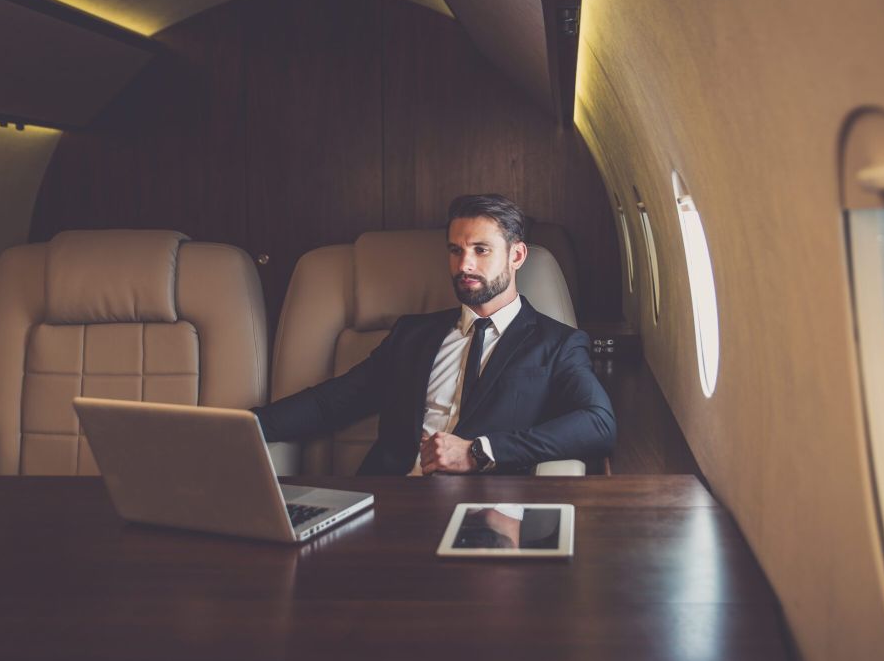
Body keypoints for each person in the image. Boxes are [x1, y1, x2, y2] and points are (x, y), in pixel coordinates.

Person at [252, 194, 616, 476]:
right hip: (387, 502)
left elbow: (598, 423)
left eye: (480, 250)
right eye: (456, 251)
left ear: (517, 255)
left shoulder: (557, 344)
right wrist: (244, 426)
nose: (464, 265)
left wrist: (480, 452)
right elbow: (330, 403)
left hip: (482, 513)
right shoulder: (413, 335)